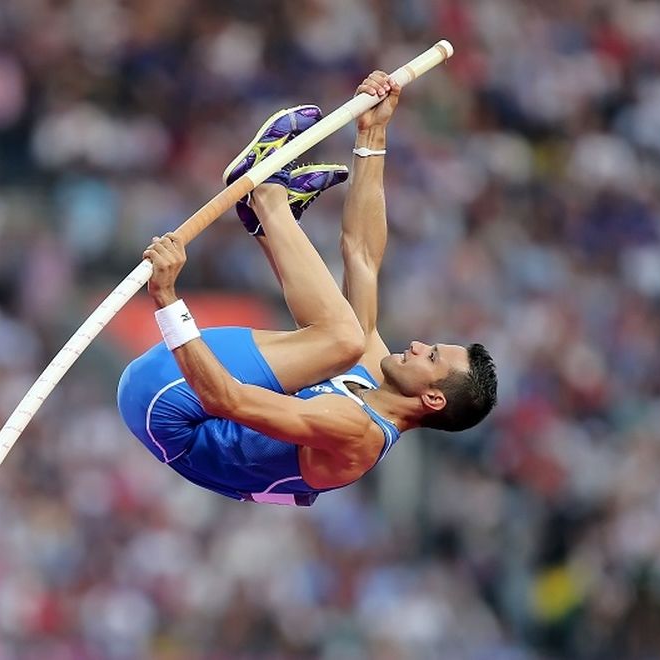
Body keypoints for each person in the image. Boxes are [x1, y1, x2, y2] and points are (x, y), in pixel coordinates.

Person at [117, 71, 497, 506]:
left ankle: (267, 196)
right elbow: (362, 256)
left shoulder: (358, 432)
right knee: (346, 335)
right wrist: (373, 134)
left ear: (431, 398)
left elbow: (227, 399)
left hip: (169, 409)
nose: (415, 345)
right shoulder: (370, 374)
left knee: (342, 337)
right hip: (183, 395)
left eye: (430, 356)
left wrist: (167, 299)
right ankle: (268, 222)